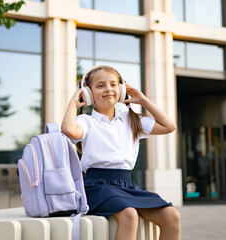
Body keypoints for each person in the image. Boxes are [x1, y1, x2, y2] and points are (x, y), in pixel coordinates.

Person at [61, 65, 181, 240]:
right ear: (87, 93)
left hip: (126, 185)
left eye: (113, 84)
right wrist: (73, 103)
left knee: (172, 216)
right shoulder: (86, 121)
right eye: (100, 85)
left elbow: (169, 126)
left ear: (122, 89)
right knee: (129, 215)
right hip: (96, 186)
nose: (108, 89)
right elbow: (69, 131)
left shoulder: (131, 119)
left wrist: (143, 100)